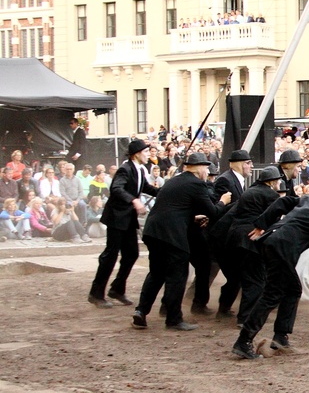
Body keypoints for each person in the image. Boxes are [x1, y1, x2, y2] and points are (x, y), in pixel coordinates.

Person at [232, 179, 309, 359]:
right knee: (272, 295)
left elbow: (283, 202)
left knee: (292, 290)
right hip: (283, 249)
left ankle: (281, 337)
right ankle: (244, 341)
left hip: (271, 241)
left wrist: (262, 224)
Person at [131, 153, 232, 330]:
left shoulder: (174, 181)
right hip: (172, 235)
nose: (207, 172)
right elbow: (213, 212)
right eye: (206, 168)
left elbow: (174, 208)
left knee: (156, 274)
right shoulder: (197, 184)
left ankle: (141, 312)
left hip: (153, 231)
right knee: (177, 276)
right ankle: (173, 319)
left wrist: (192, 218)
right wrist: (223, 202)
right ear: (199, 168)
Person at [209, 166, 284, 330]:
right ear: (271, 181)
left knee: (236, 277)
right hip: (250, 239)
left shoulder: (250, 191)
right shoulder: (270, 194)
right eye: (278, 180)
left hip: (233, 238)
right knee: (255, 280)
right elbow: (273, 218)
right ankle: (245, 318)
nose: (279, 183)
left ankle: (223, 309)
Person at [87, 140, 160, 308]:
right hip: (116, 218)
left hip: (127, 220)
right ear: (136, 154)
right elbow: (117, 189)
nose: (149, 154)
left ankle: (117, 289)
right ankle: (96, 293)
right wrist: (134, 200)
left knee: (131, 254)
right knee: (110, 255)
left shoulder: (140, 170)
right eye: (146, 151)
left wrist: (166, 190)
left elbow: (146, 188)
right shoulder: (125, 169)